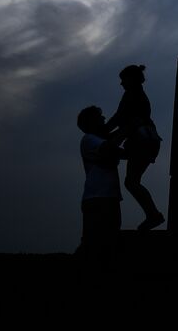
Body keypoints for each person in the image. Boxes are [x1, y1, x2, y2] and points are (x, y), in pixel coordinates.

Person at [105, 64, 165, 231]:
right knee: (132, 181)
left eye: (123, 80)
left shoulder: (131, 95)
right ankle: (153, 215)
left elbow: (119, 119)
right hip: (148, 141)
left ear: (131, 79)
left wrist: (103, 133)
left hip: (141, 142)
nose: (121, 84)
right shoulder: (138, 95)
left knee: (131, 182)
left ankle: (153, 215)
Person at [75, 105, 124, 258]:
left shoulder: (97, 139)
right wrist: (125, 130)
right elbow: (110, 148)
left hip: (108, 197)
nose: (104, 119)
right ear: (91, 122)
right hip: (97, 198)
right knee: (93, 242)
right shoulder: (89, 139)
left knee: (108, 241)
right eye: (99, 117)